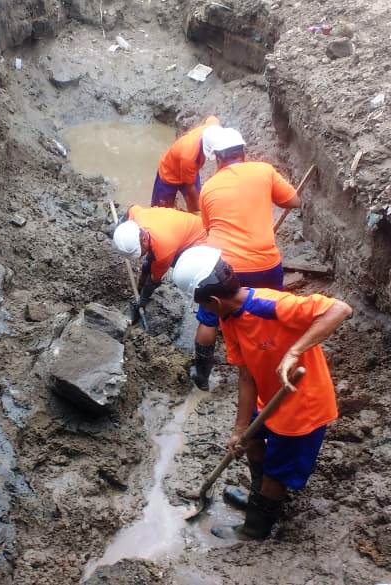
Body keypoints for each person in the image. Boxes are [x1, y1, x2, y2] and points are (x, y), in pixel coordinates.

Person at [172, 245, 352, 540]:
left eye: (202, 306)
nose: (203, 312)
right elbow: (246, 374)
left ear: (214, 300)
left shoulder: (271, 305)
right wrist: (239, 429)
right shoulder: (228, 319)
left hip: (301, 408)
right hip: (268, 398)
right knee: (251, 440)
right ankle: (259, 496)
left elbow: (340, 309)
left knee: (277, 473)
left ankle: (255, 527)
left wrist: (295, 351)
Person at [189, 127, 302, 390]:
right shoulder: (264, 171)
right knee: (273, 312)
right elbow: (294, 201)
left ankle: (202, 376)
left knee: (209, 317)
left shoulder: (208, 188)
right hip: (265, 262)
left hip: (222, 268)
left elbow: (208, 229)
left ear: (217, 158)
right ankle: (276, 363)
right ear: (243, 152)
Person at [112, 205, 206, 322]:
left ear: (144, 240)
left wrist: (143, 299)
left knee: (179, 267)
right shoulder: (137, 216)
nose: (139, 256)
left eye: (139, 252)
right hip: (177, 230)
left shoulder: (164, 251)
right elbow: (131, 208)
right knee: (149, 262)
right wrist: (119, 227)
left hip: (200, 239)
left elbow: (154, 281)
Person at [152, 115, 221, 212]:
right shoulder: (189, 156)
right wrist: (199, 212)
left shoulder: (212, 128)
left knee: (197, 200)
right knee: (160, 211)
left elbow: (212, 118)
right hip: (169, 175)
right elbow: (190, 188)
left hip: (190, 170)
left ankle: (193, 216)